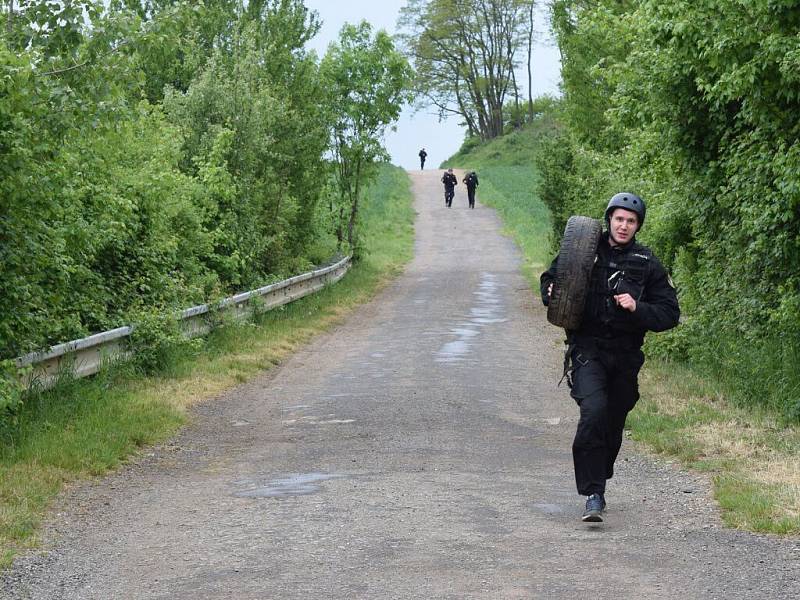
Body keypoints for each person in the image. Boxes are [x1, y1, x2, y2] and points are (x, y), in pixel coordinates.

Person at [540, 192, 679, 523]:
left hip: (625, 355)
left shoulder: (648, 263)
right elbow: (550, 279)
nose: (624, 225)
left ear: (637, 226)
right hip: (587, 349)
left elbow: (670, 314)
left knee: (612, 422)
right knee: (594, 412)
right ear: (609, 220)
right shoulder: (585, 249)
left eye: (631, 221)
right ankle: (593, 493)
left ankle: (599, 473)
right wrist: (548, 292)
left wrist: (638, 307)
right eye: (619, 219)